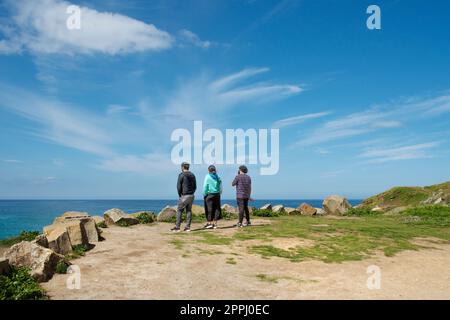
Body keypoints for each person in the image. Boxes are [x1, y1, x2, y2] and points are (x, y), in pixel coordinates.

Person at [171, 162, 196, 232]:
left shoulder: (181, 175)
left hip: (184, 195)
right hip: (191, 195)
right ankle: (187, 227)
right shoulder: (192, 175)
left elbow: (178, 186)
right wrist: (192, 192)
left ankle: (177, 227)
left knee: (179, 210)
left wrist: (180, 194)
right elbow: (195, 186)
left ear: (182, 167)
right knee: (188, 210)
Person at [203, 165, 222, 229]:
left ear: (209, 170)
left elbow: (205, 186)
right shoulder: (217, 176)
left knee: (209, 209)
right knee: (217, 208)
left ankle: (209, 223)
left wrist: (204, 194)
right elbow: (220, 184)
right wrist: (220, 192)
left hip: (210, 194)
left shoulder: (207, 176)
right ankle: (215, 224)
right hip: (217, 194)